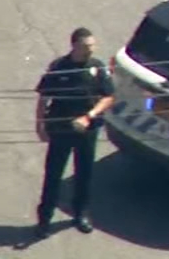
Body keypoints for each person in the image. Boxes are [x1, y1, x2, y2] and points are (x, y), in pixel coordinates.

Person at [33, 27, 115, 239]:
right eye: (87, 46)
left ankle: (81, 213)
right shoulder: (59, 68)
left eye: (92, 45)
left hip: (86, 130)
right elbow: (43, 98)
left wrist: (89, 116)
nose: (91, 49)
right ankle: (44, 218)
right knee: (53, 174)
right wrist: (40, 125)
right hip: (60, 129)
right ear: (75, 46)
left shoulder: (97, 68)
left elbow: (108, 96)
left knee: (84, 173)